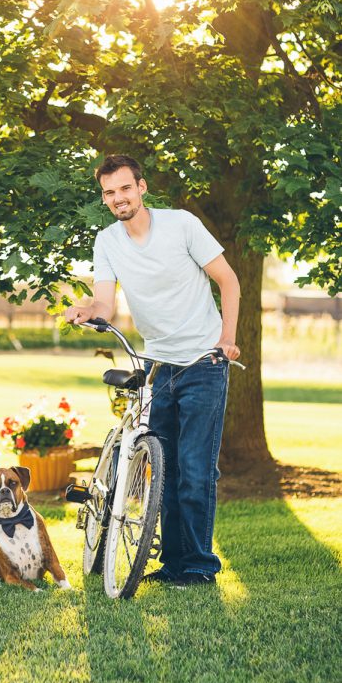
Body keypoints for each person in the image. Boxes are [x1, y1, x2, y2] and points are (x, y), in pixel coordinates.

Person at [65, 154, 240, 587]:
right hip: (158, 365)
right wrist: (87, 309)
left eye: (125, 188)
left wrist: (228, 339)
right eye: (109, 192)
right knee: (165, 470)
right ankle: (172, 563)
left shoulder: (181, 224)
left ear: (141, 188)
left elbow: (229, 281)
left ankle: (198, 566)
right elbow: (105, 303)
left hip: (204, 362)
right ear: (104, 198)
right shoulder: (107, 241)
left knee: (197, 469)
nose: (118, 198)